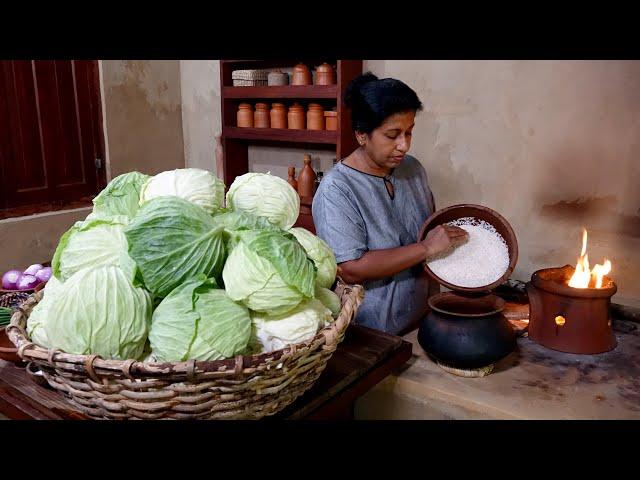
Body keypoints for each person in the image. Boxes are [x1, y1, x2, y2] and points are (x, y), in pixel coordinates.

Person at [312, 73, 468, 335]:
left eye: (409, 132)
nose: (403, 145)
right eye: (392, 135)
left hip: (422, 319)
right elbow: (351, 269)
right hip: (372, 332)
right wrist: (427, 247)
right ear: (362, 135)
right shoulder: (337, 189)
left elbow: (426, 229)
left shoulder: (413, 170)